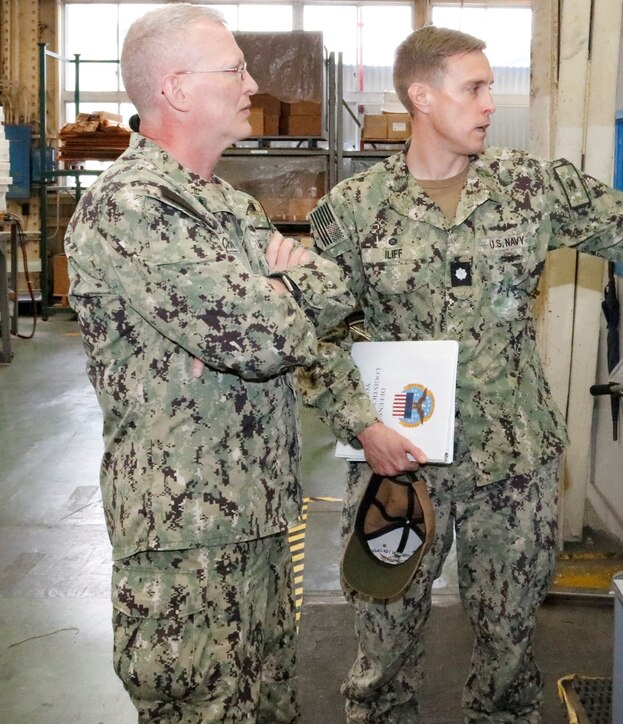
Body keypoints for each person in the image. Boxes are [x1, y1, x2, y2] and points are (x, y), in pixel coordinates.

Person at [304, 25, 623, 723]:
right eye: (475, 88)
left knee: (510, 656)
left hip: (512, 470)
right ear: (421, 96)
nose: (491, 103)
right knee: (383, 657)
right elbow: (314, 338)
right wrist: (362, 423)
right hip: (400, 469)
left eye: (492, 86)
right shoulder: (353, 212)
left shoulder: (529, 189)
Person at [65, 5, 369, 721]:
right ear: (175, 89)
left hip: (260, 519)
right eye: (234, 68)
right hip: (185, 540)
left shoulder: (228, 205)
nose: (254, 83)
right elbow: (262, 339)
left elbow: (330, 293)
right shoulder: (132, 206)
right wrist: (274, 294)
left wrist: (276, 292)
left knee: (270, 705)